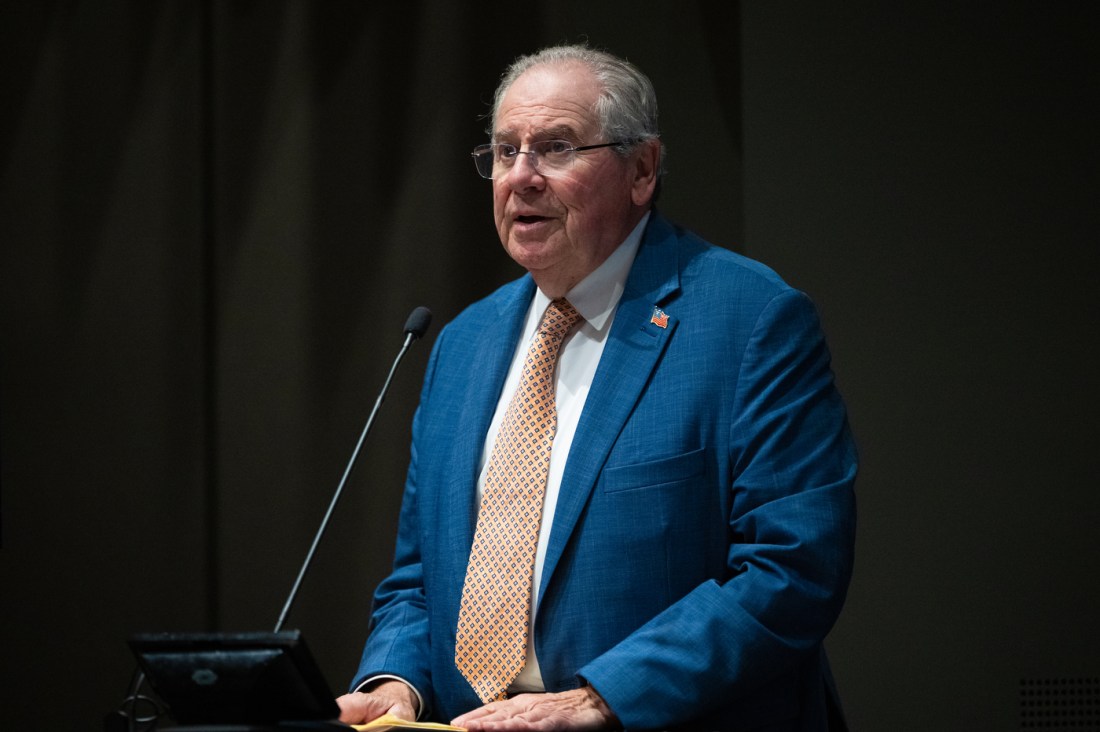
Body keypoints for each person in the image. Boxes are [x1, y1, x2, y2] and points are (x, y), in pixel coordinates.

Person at [336, 44, 857, 732]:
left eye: (555, 148)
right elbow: (419, 579)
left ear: (642, 170)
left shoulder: (750, 320)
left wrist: (603, 698)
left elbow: (792, 570)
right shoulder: (462, 345)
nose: (520, 177)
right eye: (503, 151)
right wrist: (398, 681)